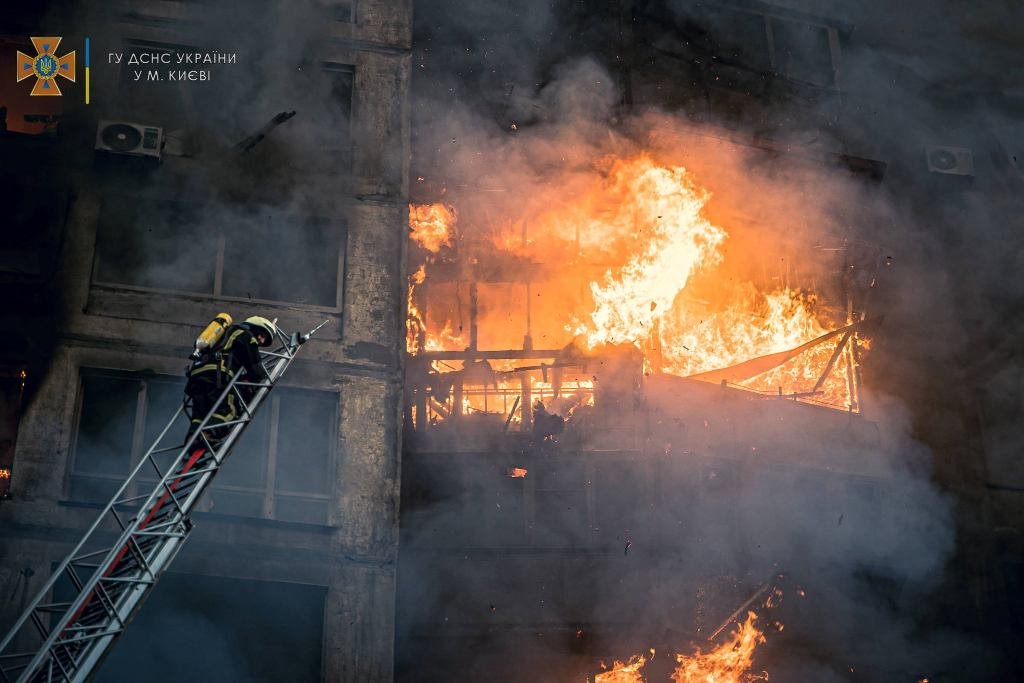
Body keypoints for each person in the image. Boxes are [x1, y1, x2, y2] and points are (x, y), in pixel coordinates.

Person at [184, 316, 277, 444]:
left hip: (197, 375)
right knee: (229, 409)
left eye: (264, 339)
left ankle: (193, 439)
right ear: (254, 328)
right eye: (262, 335)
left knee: (201, 411)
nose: (261, 340)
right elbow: (255, 368)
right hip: (217, 375)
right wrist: (258, 378)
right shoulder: (246, 335)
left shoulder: (226, 334)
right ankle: (208, 434)